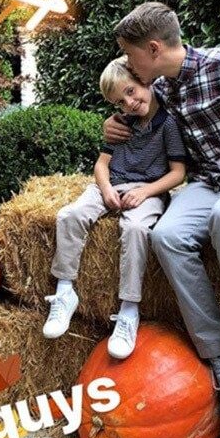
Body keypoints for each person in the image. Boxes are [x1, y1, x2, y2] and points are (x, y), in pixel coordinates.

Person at [103, 1, 220, 418]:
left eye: (129, 56)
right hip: (211, 182)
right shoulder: (160, 89)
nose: (127, 65)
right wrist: (111, 126)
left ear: (152, 49)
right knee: (166, 236)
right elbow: (136, 119)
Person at [43, 57, 186, 359]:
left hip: (146, 191)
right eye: (120, 101)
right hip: (110, 184)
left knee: (135, 229)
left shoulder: (169, 125)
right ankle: (65, 290)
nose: (130, 103)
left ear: (146, 81)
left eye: (132, 92)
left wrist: (146, 191)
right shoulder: (120, 124)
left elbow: (177, 173)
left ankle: (129, 310)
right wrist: (106, 189)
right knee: (69, 215)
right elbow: (101, 165)